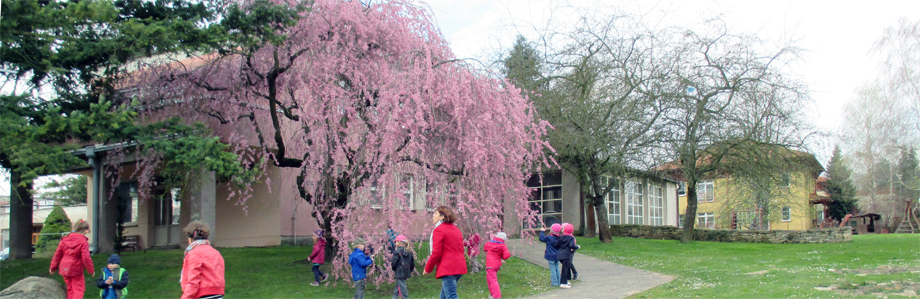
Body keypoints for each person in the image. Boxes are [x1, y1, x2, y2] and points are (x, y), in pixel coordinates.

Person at [423, 206, 468, 299]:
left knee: (451, 296)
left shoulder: (439, 230)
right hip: (459, 267)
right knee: (443, 296)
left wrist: (428, 268)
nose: (433, 216)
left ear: (442, 217)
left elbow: (436, 253)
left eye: (435, 213)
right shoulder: (456, 229)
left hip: (448, 268)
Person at [50, 219, 95, 299]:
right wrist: (90, 270)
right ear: (85, 231)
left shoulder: (65, 239)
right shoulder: (83, 241)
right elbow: (86, 257)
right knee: (78, 289)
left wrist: (53, 267)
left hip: (65, 267)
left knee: (70, 289)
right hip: (76, 268)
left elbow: (57, 254)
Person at [181, 221, 225, 299]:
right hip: (218, 294)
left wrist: (186, 297)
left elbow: (193, 280)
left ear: (190, 239)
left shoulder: (194, 254)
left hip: (201, 295)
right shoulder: (216, 253)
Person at [483, 232, 511, 299]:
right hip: (496, 265)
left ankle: (496, 296)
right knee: (490, 279)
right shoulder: (503, 246)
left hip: (490, 265)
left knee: (492, 280)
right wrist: (501, 256)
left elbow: (485, 248)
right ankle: (493, 294)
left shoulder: (489, 243)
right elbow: (507, 255)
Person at [554, 223, 580, 289]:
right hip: (566, 255)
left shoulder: (561, 237)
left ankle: (566, 281)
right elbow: (571, 245)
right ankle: (563, 283)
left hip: (560, 255)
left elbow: (556, 244)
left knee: (566, 267)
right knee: (565, 270)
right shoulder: (571, 238)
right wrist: (576, 247)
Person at [390, 235, 415, 299]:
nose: (395, 243)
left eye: (395, 242)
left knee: (403, 287)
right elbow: (412, 263)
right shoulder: (409, 251)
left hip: (399, 272)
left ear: (398, 242)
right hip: (406, 271)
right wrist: (410, 270)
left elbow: (394, 263)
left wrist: (393, 268)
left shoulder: (397, 252)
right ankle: (394, 297)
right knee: (398, 286)